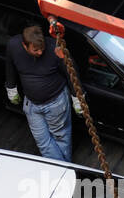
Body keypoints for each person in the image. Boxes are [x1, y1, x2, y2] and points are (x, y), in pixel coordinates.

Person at [4, 24, 80, 161]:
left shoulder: (55, 49)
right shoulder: (13, 46)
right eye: (35, 50)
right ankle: (63, 169)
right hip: (32, 105)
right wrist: (11, 87)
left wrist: (77, 97)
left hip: (56, 103)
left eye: (42, 48)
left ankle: (62, 172)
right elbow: (9, 65)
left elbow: (71, 71)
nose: (40, 52)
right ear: (24, 45)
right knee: (43, 142)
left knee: (61, 137)